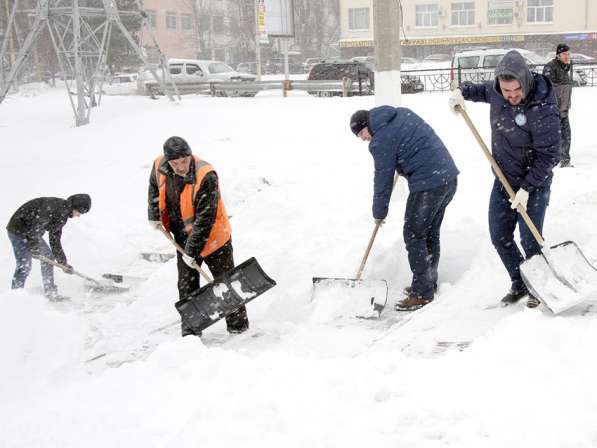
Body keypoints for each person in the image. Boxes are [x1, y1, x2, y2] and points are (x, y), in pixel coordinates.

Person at [449, 50, 561, 308]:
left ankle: (540, 287)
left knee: (530, 239)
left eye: (516, 91)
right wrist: (461, 93)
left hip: (534, 182)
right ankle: (520, 281)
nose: (511, 96)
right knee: (499, 235)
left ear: (525, 81)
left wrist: (527, 188)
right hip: (504, 178)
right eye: (506, 91)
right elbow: (479, 91)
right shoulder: (498, 91)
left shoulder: (542, 107)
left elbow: (551, 155)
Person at [350, 107, 459, 311]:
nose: (363, 139)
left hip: (429, 184)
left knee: (413, 234)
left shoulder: (380, 140)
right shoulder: (401, 114)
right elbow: (415, 140)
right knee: (429, 232)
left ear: (367, 126)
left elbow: (382, 179)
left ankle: (422, 293)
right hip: (448, 178)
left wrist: (379, 212)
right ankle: (428, 282)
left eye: (361, 134)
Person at [147, 136, 249, 336]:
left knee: (225, 284)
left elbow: (205, 219)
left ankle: (238, 329)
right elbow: (153, 187)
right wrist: (154, 214)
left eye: (184, 161)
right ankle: (191, 332)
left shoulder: (206, 175)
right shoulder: (160, 165)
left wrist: (192, 251)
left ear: (190, 155)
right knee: (186, 286)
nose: (180, 167)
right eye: (175, 164)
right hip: (182, 237)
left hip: (214, 238)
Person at [6, 194, 92, 300]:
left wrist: (62, 262)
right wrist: (34, 246)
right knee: (24, 265)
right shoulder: (55, 207)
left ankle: (50, 292)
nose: (79, 215)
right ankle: (15, 297)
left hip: (31, 232)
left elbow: (54, 240)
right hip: (18, 230)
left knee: (48, 257)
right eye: (81, 212)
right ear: (76, 206)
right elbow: (36, 225)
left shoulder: (63, 214)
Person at [543, 43, 574, 167]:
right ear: (558, 55)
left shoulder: (567, 67)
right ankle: (548, 161)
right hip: (552, 110)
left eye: (568, 54)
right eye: (564, 54)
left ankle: (565, 160)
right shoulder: (550, 67)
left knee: (566, 135)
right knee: (552, 137)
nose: (567, 57)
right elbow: (546, 89)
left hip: (564, 109)